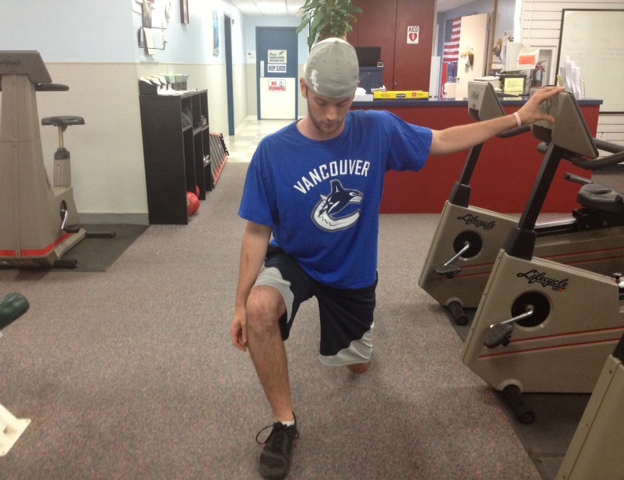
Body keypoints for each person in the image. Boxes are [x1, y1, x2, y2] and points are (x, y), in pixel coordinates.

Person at [230, 37, 563, 480]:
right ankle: (284, 423)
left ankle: (352, 328)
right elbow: (256, 232)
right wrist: (241, 302)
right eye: (322, 103)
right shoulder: (273, 152)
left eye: (342, 104)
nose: (331, 116)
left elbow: (442, 139)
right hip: (295, 260)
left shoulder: (377, 130)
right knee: (259, 309)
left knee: (358, 365)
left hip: (351, 272)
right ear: (305, 89)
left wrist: (517, 117)